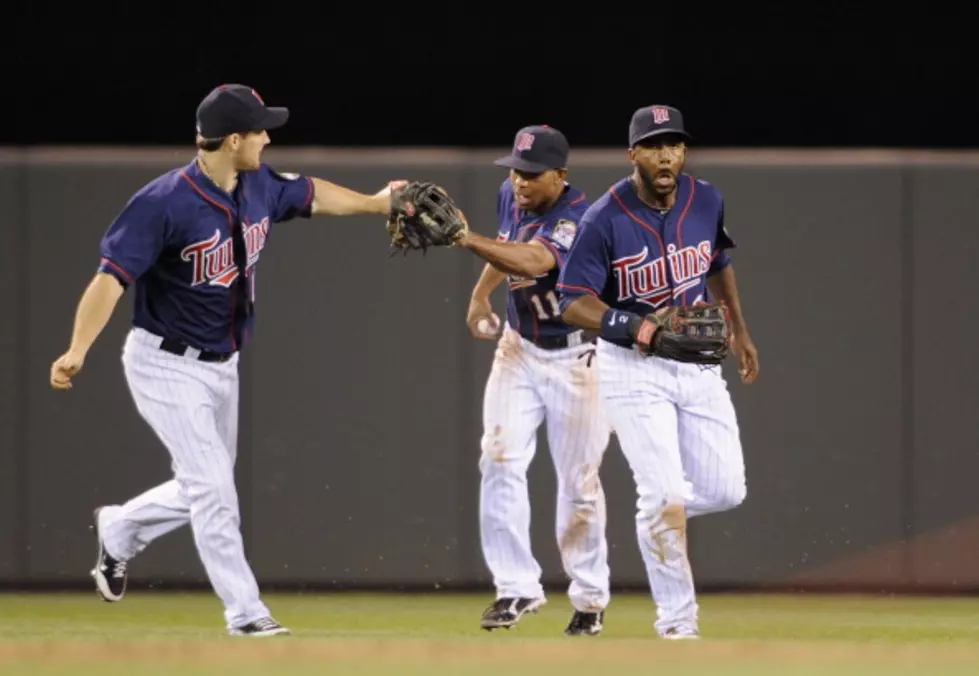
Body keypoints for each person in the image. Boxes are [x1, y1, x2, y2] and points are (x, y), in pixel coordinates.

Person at [49, 83, 403, 637]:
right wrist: (77, 348)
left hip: (222, 364)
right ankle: (246, 615)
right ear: (233, 139)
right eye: (260, 130)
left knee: (202, 485)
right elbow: (110, 278)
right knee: (213, 487)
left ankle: (119, 530)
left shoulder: (257, 182)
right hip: (164, 363)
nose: (267, 137)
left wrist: (376, 203)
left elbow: (311, 193)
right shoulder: (163, 201)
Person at [555, 105, 758, 640]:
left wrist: (739, 329)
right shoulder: (604, 218)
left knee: (726, 489)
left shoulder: (706, 198)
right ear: (633, 154)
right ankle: (677, 626)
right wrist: (638, 327)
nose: (666, 154)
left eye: (674, 144)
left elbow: (717, 262)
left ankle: (655, 515)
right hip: (632, 367)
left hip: (695, 364)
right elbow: (571, 302)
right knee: (664, 492)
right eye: (654, 145)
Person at [454, 125, 612, 636]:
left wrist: (461, 238)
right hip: (520, 348)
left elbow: (534, 259)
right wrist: (481, 296)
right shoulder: (510, 195)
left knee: (580, 484)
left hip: (578, 357)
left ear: (560, 176)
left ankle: (589, 600)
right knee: (497, 458)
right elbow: (505, 248)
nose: (519, 182)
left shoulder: (580, 218)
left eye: (531, 173)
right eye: (515, 171)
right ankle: (515, 587)